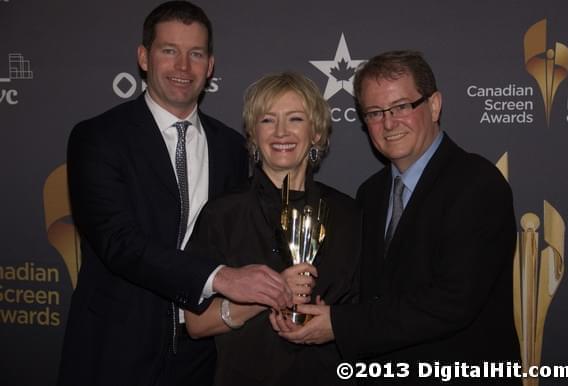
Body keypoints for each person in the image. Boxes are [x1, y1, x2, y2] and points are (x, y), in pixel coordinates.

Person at [57, 2, 292, 386]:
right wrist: (219, 277)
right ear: (144, 57)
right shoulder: (98, 138)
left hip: (203, 355)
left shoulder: (232, 148)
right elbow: (119, 243)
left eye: (195, 54)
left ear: (210, 65)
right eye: (169, 51)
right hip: (116, 350)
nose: (183, 67)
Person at [274, 51, 520, 385]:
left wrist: (340, 323)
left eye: (402, 106)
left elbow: (452, 302)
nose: (389, 123)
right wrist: (314, 308)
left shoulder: (477, 183)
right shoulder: (370, 193)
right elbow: (372, 291)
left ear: (434, 106)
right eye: (375, 113)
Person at [184, 72, 361, 386]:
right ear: (253, 134)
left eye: (295, 118)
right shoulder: (222, 215)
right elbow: (195, 324)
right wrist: (268, 294)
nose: (281, 132)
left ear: (317, 132)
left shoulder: (349, 213)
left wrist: (334, 322)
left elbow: (369, 313)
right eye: (267, 120)